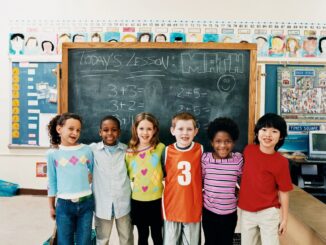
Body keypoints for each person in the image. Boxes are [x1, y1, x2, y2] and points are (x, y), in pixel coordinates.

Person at [238, 113, 293, 245]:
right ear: (257, 133)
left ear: (281, 136)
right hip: (246, 212)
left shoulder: (281, 162)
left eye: (274, 131)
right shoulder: (248, 150)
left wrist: (284, 219)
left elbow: (284, 192)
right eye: (264, 130)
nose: (268, 135)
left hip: (269, 212)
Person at [47, 112, 94, 245]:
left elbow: (94, 172)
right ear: (59, 129)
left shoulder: (86, 150)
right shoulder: (52, 153)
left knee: (84, 241)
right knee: (64, 241)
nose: (75, 133)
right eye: (71, 128)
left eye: (78, 130)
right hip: (64, 205)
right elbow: (52, 181)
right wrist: (51, 206)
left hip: (86, 203)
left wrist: (88, 178)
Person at [91, 115, 133, 245]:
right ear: (100, 132)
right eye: (105, 130)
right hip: (102, 204)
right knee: (102, 240)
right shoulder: (92, 150)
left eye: (114, 130)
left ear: (119, 132)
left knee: (126, 239)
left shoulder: (127, 150)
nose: (110, 133)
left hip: (124, 204)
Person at [163, 112, 203, 245]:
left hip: (192, 208)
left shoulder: (201, 150)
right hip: (172, 207)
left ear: (196, 131)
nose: (185, 133)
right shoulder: (166, 151)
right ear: (172, 131)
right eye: (180, 129)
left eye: (189, 129)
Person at [201, 117, 243, 245]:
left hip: (230, 213)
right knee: (210, 241)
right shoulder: (205, 159)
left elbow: (246, 179)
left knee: (227, 241)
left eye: (228, 141)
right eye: (218, 141)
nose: (223, 145)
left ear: (234, 142)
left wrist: (239, 191)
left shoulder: (238, 160)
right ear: (212, 143)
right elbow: (200, 180)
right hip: (209, 212)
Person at [125, 112, 165, 245]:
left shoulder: (160, 148)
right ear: (135, 129)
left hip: (157, 199)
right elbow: (127, 174)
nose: (145, 132)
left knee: (157, 235)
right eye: (141, 128)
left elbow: (167, 171)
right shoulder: (129, 152)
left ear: (154, 130)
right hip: (138, 200)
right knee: (142, 236)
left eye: (149, 128)